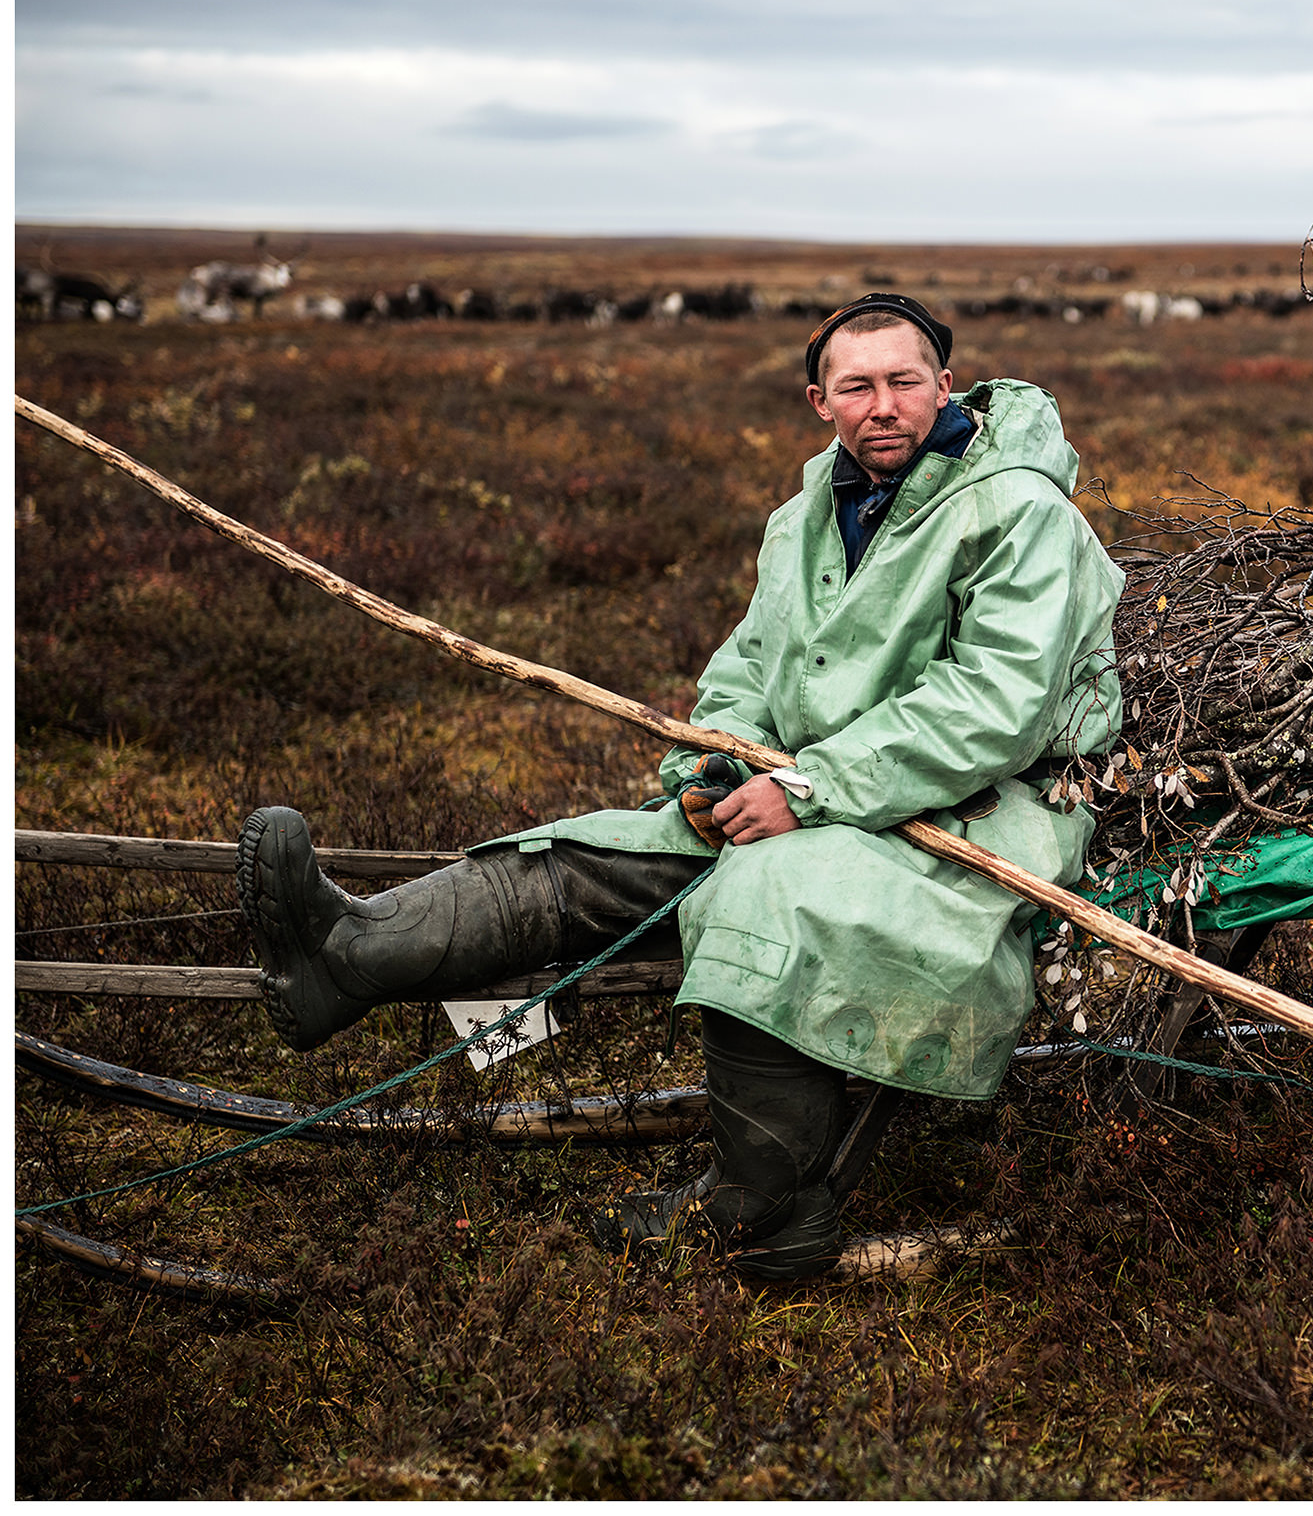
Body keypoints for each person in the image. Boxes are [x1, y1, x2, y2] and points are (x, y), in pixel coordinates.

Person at [237, 293, 1125, 1281]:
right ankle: (343, 957)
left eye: (905, 381)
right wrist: (718, 766)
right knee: (609, 851)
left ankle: (767, 1212)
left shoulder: (1019, 511)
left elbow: (995, 702)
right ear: (817, 399)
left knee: (765, 895)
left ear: (944, 385)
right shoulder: (801, 521)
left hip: (983, 812)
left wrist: (811, 786)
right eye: (857, 385)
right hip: (817, 798)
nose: (884, 405)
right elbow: (746, 672)